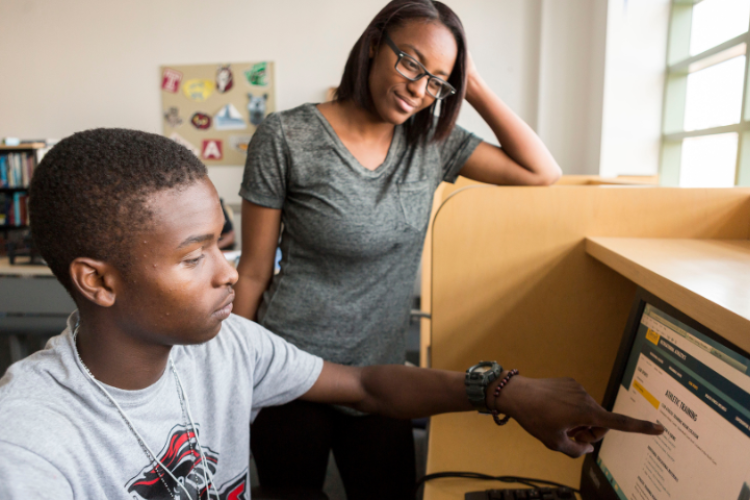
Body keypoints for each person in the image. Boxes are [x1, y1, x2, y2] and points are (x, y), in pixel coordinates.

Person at [0, 128, 662, 499]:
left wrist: (506, 391)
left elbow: (367, 386)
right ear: (98, 281)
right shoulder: (28, 441)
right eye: (195, 256)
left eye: (223, 243)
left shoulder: (228, 346)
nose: (230, 271)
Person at [235, 0, 562, 496]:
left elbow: (542, 173)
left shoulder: (434, 141)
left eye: (437, 80)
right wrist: (232, 372)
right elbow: (254, 271)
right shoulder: (287, 136)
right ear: (373, 45)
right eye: (410, 62)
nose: (419, 88)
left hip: (381, 378)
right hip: (291, 367)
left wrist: (470, 83)